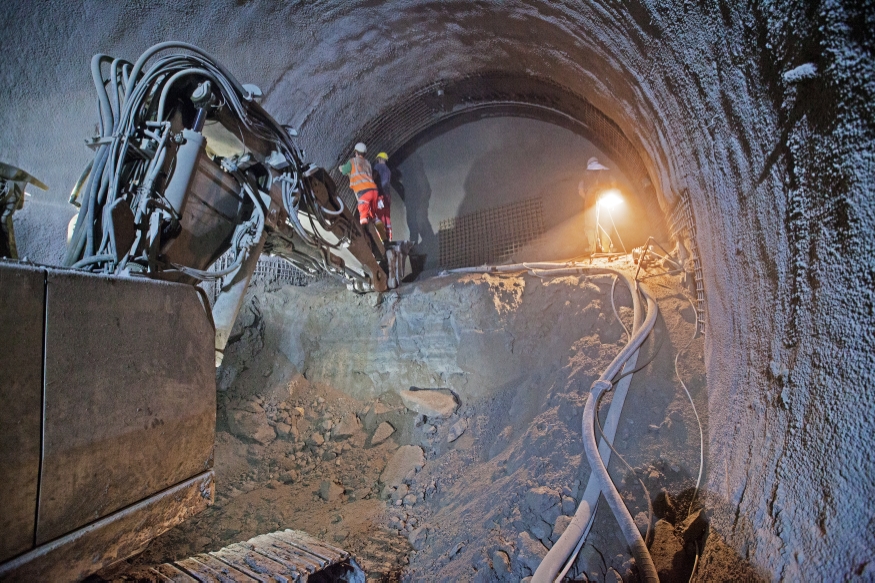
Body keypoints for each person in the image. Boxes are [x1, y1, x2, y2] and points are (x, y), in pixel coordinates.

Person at [339, 142, 384, 237]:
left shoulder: (352, 161)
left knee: (363, 216)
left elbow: (344, 171)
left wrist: (341, 168)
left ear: (355, 152)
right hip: (374, 191)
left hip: (363, 192)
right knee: (374, 216)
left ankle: (364, 234)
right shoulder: (367, 163)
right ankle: (383, 236)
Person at [578, 156, 612, 254]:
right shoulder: (604, 173)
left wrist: (588, 199)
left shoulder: (584, 177)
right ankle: (606, 248)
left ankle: (593, 249)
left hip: (590, 205)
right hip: (605, 202)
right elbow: (613, 184)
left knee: (590, 226)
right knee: (605, 224)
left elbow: (580, 191)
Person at [373, 152, 392, 240]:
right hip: (388, 196)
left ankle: (381, 238)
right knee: (387, 217)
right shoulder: (388, 170)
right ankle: (389, 237)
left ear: (380, 159)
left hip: (380, 195)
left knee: (379, 216)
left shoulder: (377, 167)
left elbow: (374, 180)